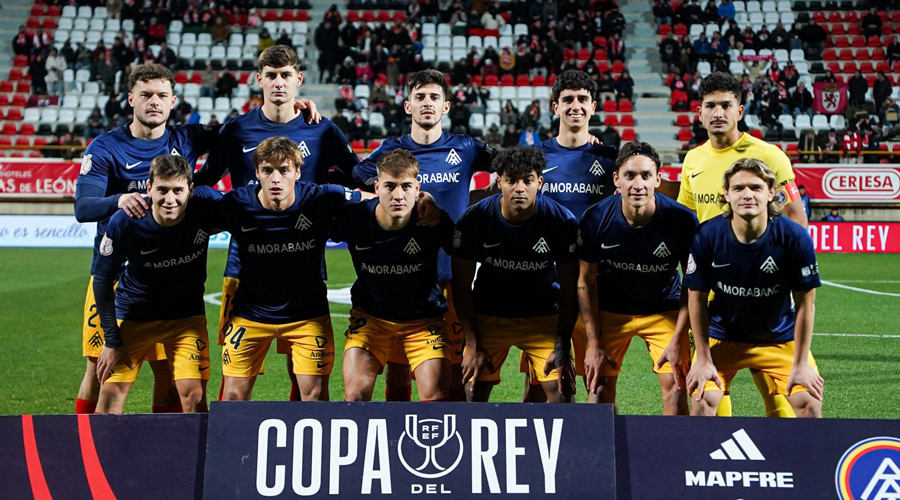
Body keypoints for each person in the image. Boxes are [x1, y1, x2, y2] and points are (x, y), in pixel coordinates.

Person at [192, 45, 352, 403]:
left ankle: (301, 446)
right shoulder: (235, 130)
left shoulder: (322, 129)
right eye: (271, 75)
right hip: (244, 267)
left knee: (305, 371)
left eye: (285, 75)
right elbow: (206, 180)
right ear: (259, 79)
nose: (278, 83)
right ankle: (227, 440)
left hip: (305, 261)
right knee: (235, 373)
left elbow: (352, 175)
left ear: (298, 79)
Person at [73, 63, 220, 415]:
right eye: (145, 95)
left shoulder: (187, 138)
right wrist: (118, 200)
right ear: (130, 100)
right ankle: (81, 446)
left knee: (168, 373)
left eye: (161, 95)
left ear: (173, 101)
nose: (153, 102)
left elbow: (241, 135)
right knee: (99, 368)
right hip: (114, 275)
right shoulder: (106, 146)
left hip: (166, 278)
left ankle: (167, 454)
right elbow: (82, 207)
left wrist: (293, 108)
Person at [351, 68, 498, 403]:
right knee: (400, 369)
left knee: (458, 368)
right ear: (408, 106)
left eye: (434, 97)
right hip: (407, 276)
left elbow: (509, 169)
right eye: (420, 97)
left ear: (446, 107)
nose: (427, 103)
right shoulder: (392, 150)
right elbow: (358, 179)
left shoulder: (466, 147)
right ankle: (394, 440)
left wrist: (476, 200)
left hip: (454, 272)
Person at [677, 71, 808, 419]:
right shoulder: (692, 160)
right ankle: (721, 462)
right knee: (710, 389)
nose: (718, 112)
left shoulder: (770, 155)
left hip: (766, 290)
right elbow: (687, 224)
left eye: (726, 105)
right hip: (712, 288)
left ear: (740, 110)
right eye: (710, 106)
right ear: (699, 113)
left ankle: (787, 464)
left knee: (780, 394)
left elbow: (796, 217)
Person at [217, 137, 365, 402]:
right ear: (257, 172)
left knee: (316, 397)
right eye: (268, 170)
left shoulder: (322, 197)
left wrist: (422, 201)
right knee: (232, 399)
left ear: (297, 172)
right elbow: (187, 208)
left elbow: (372, 200)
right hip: (250, 316)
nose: (276, 179)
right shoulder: (236, 204)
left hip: (307, 317)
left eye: (284, 170)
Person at [685, 158, 823, 418]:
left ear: (771, 193)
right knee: (703, 399)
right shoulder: (707, 235)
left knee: (809, 403)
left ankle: (799, 460)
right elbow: (696, 299)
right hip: (722, 336)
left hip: (779, 338)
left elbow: (806, 304)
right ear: (726, 194)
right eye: (738, 188)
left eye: (756, 188)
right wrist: (702, 358)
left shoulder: (794, 237)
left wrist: (802, 362)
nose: (747, 194)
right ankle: (704, 459)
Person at [93, 155, 220, 414]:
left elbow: (251, 210)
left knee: (194, 396)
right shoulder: (125, 221)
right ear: (149, 188)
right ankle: (101, 453)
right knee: (110, 395)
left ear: (191, 191)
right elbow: (103, 280)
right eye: (162, 190)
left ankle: (191, 455)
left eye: (178, 190)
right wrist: (111, 340)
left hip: (186, 319)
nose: (170, 199)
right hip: (134, 316)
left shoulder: (206, 208)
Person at [520, 70, 619, 402]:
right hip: (545, 281)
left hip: (597, 279)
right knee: (541, 383)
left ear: (593, 107)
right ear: (555, 106)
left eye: (582, 100)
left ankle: (594, 450)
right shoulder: (537, 158)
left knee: (597, 380)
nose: (575, 106)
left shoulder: (610, 158)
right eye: (568, 100)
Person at [578, 141, 697, 414]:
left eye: (646, 175)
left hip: (662, 308)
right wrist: (593, 341)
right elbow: (585, 281)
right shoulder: (595, 218)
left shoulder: (681, 220)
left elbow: (693, 284)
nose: (638, 184)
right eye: (629, 176)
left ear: (658, 178)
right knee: (597, 389)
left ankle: (674, 456)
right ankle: (603, 456)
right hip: (610, 309)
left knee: (677, 386)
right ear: (616, 179)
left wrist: (680, 337)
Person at [452, 146, 579, 403]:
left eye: (527, 181)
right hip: (489, 315)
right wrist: (472, 343)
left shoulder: (561, 221)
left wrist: (563, 343)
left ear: (539, 183)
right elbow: (461, 285)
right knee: (471, 390)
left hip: (542, 317)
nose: (519, 188)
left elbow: (570, 287)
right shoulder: (474, 220)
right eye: (511, 180)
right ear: (499, 182)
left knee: (563, 392)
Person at [333, 150, 455, 402]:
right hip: (371, 320)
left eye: (406, 186)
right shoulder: (354, 219)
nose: (398, 195)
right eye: (390, 186)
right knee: (354, 399)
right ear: (377, 187)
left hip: (423, 322)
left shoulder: (433, 221)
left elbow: (465, 256)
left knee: (436, 402)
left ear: (417, 187)